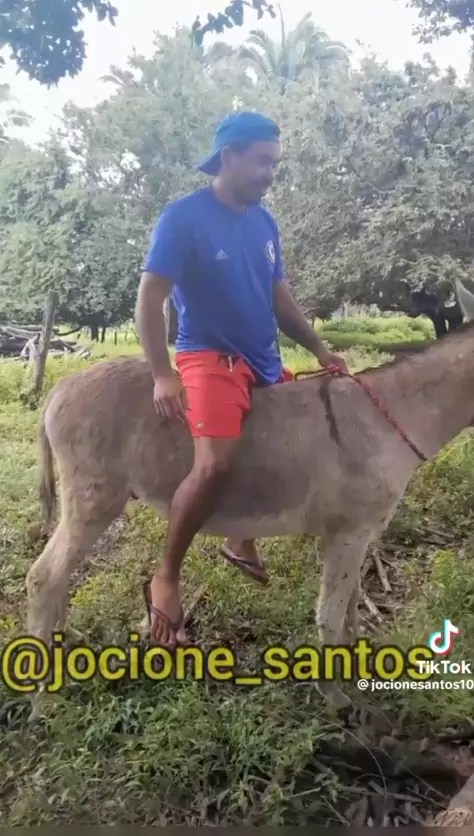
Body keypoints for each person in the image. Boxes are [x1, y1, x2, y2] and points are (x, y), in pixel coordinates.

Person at [135, 110, 348, 647]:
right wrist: (162, 374)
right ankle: (166, 578)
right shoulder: (183, 218)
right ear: (228, 157)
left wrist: (320, 348)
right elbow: (150, 299)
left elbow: (280, 298)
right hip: (209, 358)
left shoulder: (264, 223)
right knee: (215, 463)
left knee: (282, 448)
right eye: (262, 162)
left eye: (275, 163)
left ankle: (239, 535)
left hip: (262, 359)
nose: (270, 173)